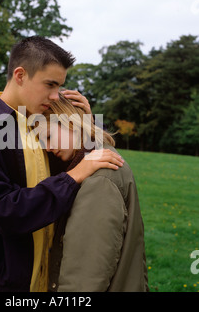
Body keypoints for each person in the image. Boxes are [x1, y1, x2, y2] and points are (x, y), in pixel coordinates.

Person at [0, 36, 124, 292]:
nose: (54, 95)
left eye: (59, 86)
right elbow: (3, 211)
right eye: (49, 84)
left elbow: (79, 164)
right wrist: (73, 177)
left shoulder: (37, 123)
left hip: (41, 278)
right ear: (20, 75)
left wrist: (85, 123)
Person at [39, 92, 149, 292]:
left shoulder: (99, 179)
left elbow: (83, 280)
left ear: (70, 123)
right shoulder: (91, 159)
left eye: (48, 136)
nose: (47, 147)